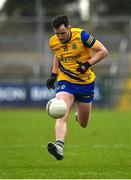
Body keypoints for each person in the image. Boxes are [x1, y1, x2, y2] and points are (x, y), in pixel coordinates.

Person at [46, 15, 108, 160]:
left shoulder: (82, 36)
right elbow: (58, 55)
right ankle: (59, 147)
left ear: (69, 28)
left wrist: (87, 64)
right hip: (66, 81)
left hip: (85, 83)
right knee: (61, 112)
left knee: (83, 123)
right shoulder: (53, 42)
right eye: (57, 34)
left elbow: (103, 51)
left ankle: (78, 115)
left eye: (63, 33)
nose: (60, 37)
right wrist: (54, 74)